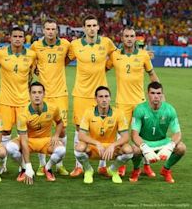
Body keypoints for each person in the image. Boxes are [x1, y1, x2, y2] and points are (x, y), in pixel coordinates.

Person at [106, 26, 160, 177]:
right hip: (122, 102)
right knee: (122, 136)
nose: (129, 39)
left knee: (143, 135)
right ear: (122, 38)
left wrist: (160, 95)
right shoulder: (115, 56)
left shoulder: (143, 56)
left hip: (140, 102)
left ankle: (146, 165)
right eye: (126, 36)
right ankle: (122, 164)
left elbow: (152, 74)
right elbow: (102, 68)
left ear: (135, 38)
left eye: (132, 36)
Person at [68, 14, 116, 177]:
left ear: (98, 27)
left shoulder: (106, 42)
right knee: (78, 129)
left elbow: (116, 57)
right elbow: (64, 61)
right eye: (88, 25)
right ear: (83, 28)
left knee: (103, 127)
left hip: (101, 93)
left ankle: (102, 165)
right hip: (81, 94)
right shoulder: (75, 45)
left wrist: (105, 69)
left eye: (94, 25)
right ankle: (79, 165)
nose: (91, 28)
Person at [0, 26, 37, 172]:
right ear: (9, 38)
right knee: (5, 132)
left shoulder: (31, 55)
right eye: (15, 36)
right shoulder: (0, 54)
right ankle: (2, 164)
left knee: (23, 133)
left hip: (23, 101)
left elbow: (32, 74)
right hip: (5, 100)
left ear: (24, 39)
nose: (17, 39)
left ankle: (22, 164)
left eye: (20, 36)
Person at [30, 18, 70, 176]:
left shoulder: (65, 44)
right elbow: (32, 64)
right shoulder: (36, 46)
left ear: (57, 30)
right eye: (48, 29)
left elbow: (68, 59)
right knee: (41, 131)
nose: (51, 32)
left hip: (61, 94)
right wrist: (36, 71)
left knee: (63, 130)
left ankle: (58, 164)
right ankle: (42, 165)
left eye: (53, 29)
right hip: (43, 95)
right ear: (43, 30)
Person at [6, 82, 66, 185]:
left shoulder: (53, 108)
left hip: (45, 141)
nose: (37, 95)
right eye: (34, 92)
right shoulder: (23, 114)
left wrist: (56, 135)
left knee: (61, 150)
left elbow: (60, 122)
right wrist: (29, 166)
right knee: (10, 147)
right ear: (29, 94)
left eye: (39, 92)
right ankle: (24, 169)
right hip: (28, 141)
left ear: (44, 94)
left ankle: (47, 168)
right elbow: (24, 141)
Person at [74, 86, 133, 184]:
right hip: (94, 149)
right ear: (96, 99)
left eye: (106, 96)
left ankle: (113, 170)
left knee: (129, 150)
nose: (104, 99)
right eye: (101, 97)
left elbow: (126, 136)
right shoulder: (89, 112)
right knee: (79, 148)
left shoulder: (118, 113)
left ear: (110, 98)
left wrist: (113, 145)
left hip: (111, 149)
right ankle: (88, 170)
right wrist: (96, 143)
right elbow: (81, 135)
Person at [129, 82, 186, 183]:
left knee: (181, 148)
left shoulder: (169, 109)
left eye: (159, 93)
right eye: (153, 93)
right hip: (145, 142)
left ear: (162, 95)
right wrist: (144, 147)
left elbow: (178, 133)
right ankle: (136, 170)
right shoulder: (140, 109)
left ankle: (166, 169)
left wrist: (171, 146)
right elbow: (134, 134)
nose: (156, 96)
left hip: (162, 142)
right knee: (135, 150)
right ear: (148, 94)